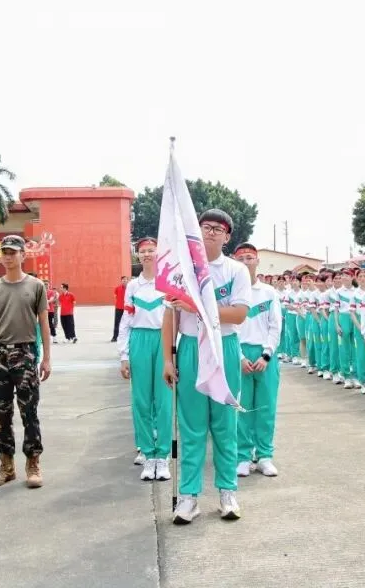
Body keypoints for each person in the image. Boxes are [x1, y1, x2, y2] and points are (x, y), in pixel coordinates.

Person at [162, 209, 251, 525]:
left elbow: (239, 314)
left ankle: (227, 492)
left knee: (225, 424)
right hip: (190, 347)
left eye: (218, 229)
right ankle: (188, 496)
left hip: (223, 346)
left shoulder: (236, 270)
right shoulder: (181, 269)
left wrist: (197, 307)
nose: (211, 232)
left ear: (227, 237)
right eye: (206, 227)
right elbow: (170, 316)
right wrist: (168, 359)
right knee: (192, 426)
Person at [0, 235, 53, 489]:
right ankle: (6, 466)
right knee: (0, 412)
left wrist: (46, 359)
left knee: (29, 411)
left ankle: (33, 464)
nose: (8, 257)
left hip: (25, 354)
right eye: (5, 252)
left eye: (13, 252)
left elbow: (44, 323)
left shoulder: (36, 286)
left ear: (23, 255)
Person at [117, 238, 172, 481]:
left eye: (151, 250)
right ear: (138, 256)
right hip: (139, 340)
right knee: (141, 400)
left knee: (164, 400)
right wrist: (124, 355)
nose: (147, 254)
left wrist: (174, 350)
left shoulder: (167, 282)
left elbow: (176, 318)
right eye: (143, 251)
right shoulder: (133, 286)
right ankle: (148, 453)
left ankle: (163, 454)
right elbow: (126, 321)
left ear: (158, 253)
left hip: (163, 339)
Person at [232, 243, 282, 478]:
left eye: (250, 257)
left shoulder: (269, 293)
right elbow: (228, 328)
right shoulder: (231, 293)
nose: (245, 262)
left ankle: (264, 456)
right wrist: (239, 357)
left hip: (264, 356)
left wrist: (266, 355)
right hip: (239, 354)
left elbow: (275, 326)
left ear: (257, 261)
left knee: (265, 407)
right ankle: (243, 456)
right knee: (242, 408)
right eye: (241, 258)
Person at [112, 276, 129, 342]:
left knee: (128, 323)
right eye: (123, 280)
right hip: (118, 308)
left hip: (127, 308)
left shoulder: (130, 288)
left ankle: (127, 337)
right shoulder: (117, 288)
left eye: (125, 280)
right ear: (121, 281)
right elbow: (115, 296)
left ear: (127, 281)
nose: (124, 281)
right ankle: (115, 337)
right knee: (117, 323)